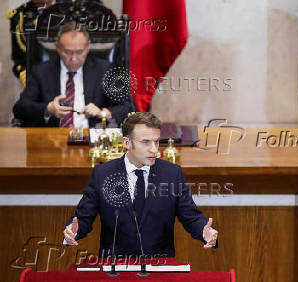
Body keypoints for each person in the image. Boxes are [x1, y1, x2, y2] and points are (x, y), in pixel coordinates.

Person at [63, 112, 218, 257]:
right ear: (126, 143)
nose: (154, 149)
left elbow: (191, 217)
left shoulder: (172, 174)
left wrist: (205, 232)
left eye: (156, 141)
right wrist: (73, 230)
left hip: (160, 265)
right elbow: (83, 218)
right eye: (145, 142)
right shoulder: (102, 174)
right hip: (115, 266)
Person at [13, 21, 132, 127]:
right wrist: (48, 109)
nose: (74, 59)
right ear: (58, 47)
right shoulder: (41, 72)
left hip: (92, 140)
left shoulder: (105, 70)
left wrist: (103, 113)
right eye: (68, 52)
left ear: (88, 47)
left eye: (80, 52)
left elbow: (128, 107)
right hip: (53, 139)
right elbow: (20, 108)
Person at [7, 0, 54, 86]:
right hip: (37, 81)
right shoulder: (20, 16)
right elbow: (19, 59)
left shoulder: (70, 9)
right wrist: (29, 82)